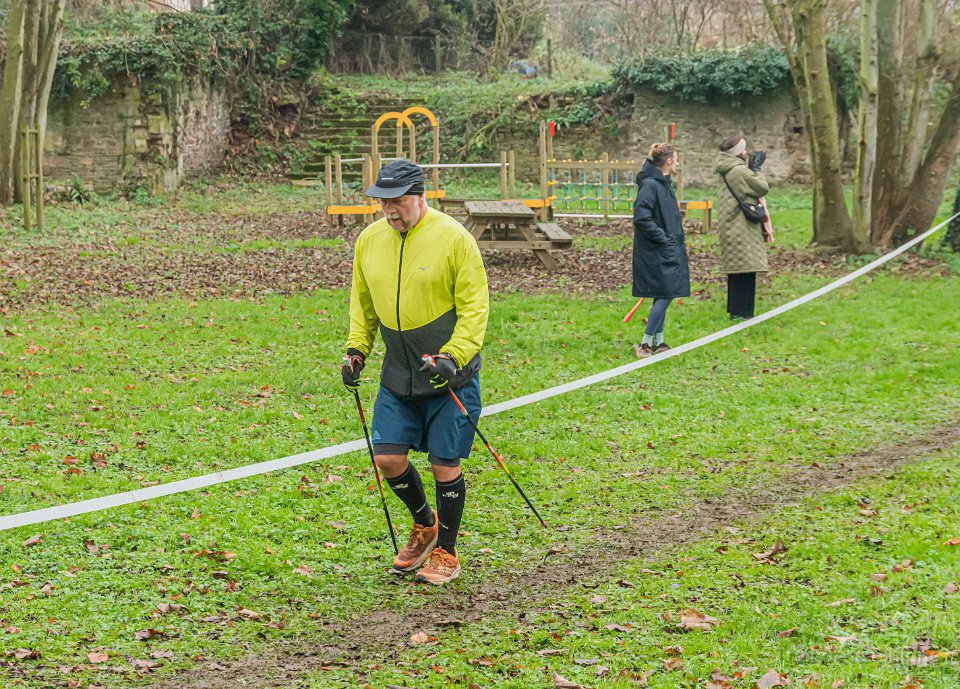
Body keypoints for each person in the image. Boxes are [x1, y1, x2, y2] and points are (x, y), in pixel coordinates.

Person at [340, 159, 489, 585]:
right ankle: (426, 526)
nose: (390, 210)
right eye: (383, 202)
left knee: (444, 465)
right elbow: (362, 303)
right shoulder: (369, 241)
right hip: (398, 374)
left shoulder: (454, 239)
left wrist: (454, 356)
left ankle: (447, 551)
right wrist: (356, 350)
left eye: (399, 201)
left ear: (420, 196)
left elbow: (475, 307)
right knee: (387, 458)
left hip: (448, 374)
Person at [631, 143, 690, 358]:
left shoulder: (663, 183)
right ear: (669, 161)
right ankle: (645, 344)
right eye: (676, 158)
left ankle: (658, 341)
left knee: (664, 293)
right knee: (666, 293)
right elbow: (641, 218)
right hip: (656, 249)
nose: (677, 163)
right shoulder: (650, 185)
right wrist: (663, 239)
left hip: (666, 247)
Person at [714, 136, 772, 320]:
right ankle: (744, 313)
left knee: (736, 270)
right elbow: (761, 187)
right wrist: (756, 170)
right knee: (746, 270)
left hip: (731, 224)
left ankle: (735, 311)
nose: (746, 152)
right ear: (737, 152)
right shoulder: (739, 171)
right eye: (743, 149)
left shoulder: (726, 168)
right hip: (741, 226)